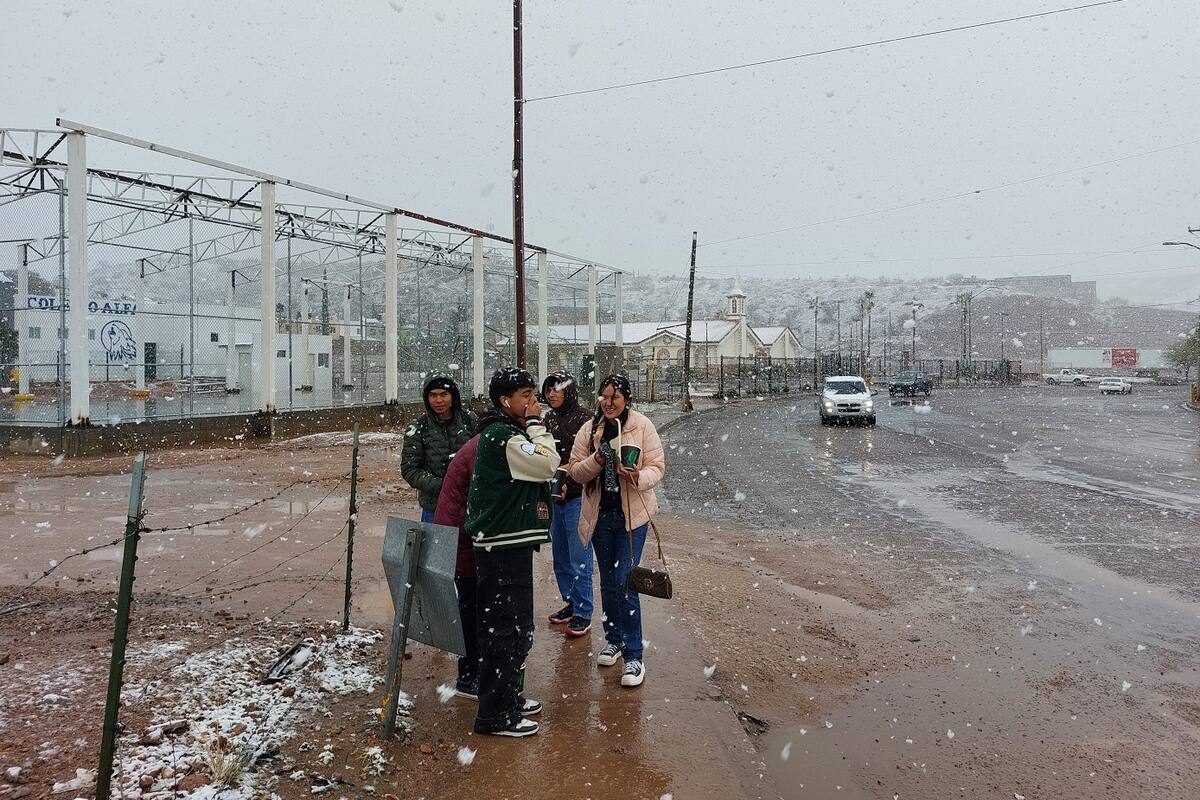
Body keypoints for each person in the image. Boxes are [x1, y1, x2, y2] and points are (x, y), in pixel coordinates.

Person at [465, 368, 560, 737]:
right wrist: (537, 425)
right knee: (502, 630)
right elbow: (547, 463)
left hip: (510, 544)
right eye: (526, 396)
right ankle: (494, 715)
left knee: (516, 628)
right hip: (500, 546)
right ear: (507, 402)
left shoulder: (507, 433)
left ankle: (509, 698)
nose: (533, 401)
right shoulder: (502, 436)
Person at [568, 374, 665, 688]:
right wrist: (597, 459)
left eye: (615, 397)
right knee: (609, 583)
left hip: (631, 518)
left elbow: (658, 467)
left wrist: (637, 476)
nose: (608, 403)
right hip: (601, 517)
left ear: (627, 399)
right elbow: (575, 470)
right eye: (604, 397)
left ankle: (634, 655)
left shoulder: (642, 426)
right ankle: (615, 639)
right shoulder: (591, 429)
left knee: (626, 581)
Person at [540, 370, 595, 638]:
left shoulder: (586, 420)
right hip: (555, 499)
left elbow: (589, 461)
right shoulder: (547, 418)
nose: (552, 394)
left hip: (578, 498)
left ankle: (584, 611)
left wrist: (567, 480)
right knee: (560, 557)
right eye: (549, 389)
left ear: (569, 391)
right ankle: (571, 602)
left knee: (580, 558)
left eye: (558, 389)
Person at [432, 427, 482, 702]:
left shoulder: (477, 443)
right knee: (471, 607)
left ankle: (472, 671)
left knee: (471, 605)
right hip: (464, 537)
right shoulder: (483, 448)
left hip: (461, 533)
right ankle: (468, 676)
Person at [401, 375, 476, 523]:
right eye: (433, 395)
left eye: (444, 394)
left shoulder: (469, 421)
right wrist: (443, 485)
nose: (439, 400)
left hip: (469, 505)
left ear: (453, 396)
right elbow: (410, 470)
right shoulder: (418, 427)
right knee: (437, 545)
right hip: (434, 507)